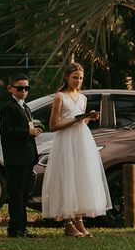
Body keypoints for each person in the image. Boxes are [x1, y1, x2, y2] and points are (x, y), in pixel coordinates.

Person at [42, 63, 111, 237]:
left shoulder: (82, 98)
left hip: (82, 140)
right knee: (67, 177)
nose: (78, 81)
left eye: (80, 78)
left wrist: (88, 117)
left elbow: (82, 122)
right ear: (66, 77)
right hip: (65, 141)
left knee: (80, 177)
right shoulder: (60, 97)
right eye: (75, 78)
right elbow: (53, 125)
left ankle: (79, 220)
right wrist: (75, 120)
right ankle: (67, 222)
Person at [0, 73, 42, 238]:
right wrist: (27, 132)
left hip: (26, 156)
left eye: (27, 88)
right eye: (20, 88)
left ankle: (22, 227)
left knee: (23, 194)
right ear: (10, 88)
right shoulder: (8, 107)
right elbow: (6, 132)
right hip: (15, 158)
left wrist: (32, 132)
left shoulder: (25, 107)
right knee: (16, 194)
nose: (24, 91)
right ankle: (15, 228)